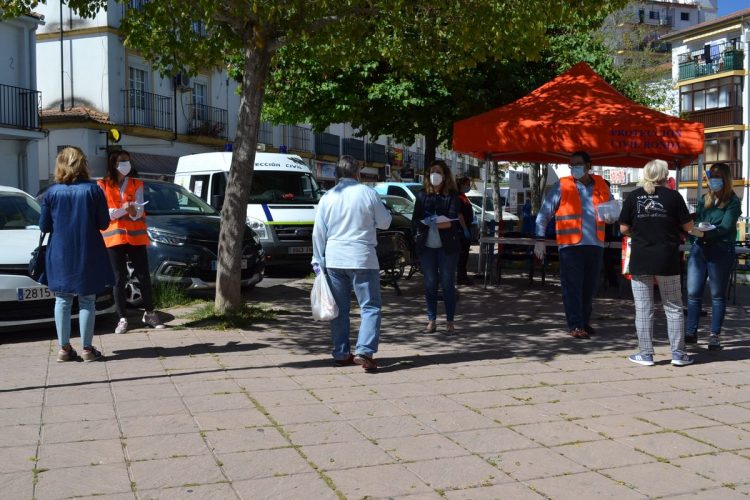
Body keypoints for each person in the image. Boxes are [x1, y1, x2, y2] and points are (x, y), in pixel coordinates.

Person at [311, 155, 392, 372]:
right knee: (370, 306)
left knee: (339, 309)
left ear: (336, 174)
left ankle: (341, 353)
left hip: (335, 257)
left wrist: (317, 260)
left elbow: (319, 231)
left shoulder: (327, 197)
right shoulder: (368, 194)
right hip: (362, 257)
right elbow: (385, 223)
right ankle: (364, 351)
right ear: (357, 173)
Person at [39, 147, 114, 362]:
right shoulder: (93, 190)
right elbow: (103, 223)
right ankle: (88, 349)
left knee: (62, 300)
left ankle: (64, 349)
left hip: (60, 252)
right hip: (88, 250)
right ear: (83, 164)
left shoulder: (51, 192)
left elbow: (44, 226)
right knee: (87, 300)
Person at [619, 160, 695, 367]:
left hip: (641, 257)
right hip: (666, 258)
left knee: (643, 308)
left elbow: (623, 229)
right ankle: (678, 355)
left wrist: (642, 231)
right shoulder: (673, 196)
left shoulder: (633, 196)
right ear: (664, 175)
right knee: (673, 307)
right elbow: (688, 226)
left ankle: (645, 355)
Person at [534, 151, 613, 339]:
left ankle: (584, 321)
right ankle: (575, 324)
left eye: (578, 164)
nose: (574, 168)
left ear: (588, 166)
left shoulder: (601, 184)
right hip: (570, 246)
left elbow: (610, 208)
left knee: (589, 287)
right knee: (573, 287)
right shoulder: (562, 185)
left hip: (595, 244)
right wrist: (539, 239)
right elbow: (544, 215)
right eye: (571, 165)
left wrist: (613, 214)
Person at [98, 150, 164, 333]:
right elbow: (106, 213)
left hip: (135, 237)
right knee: (119, 279)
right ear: (113, 163)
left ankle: (149, 313)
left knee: (143, 275)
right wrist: (125, 209)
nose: (126, 164)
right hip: (114, 238)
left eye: (128, 161)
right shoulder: (102, 185)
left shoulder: (136, 183)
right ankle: (122, 318)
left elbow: (138, 213)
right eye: (122, 161)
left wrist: (130, 210)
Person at [686, 162, 742, 350]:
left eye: (717, 176)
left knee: (717, 295)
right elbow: (701, 220)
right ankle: (691, 332)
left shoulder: (733, 201)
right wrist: (698, 230)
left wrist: (705, 232)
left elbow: (726, 227)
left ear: (725, 178)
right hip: (700, 249)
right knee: (693, 292)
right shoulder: (704, 198)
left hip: (720, 250)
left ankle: (714, 335)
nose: (713, 180)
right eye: (711, 176)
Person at [413, 160, 462, 334]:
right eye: (432, 171)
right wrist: (425, 223)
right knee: (430, 283)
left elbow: (452, 222)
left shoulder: (452, 195)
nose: (435, 174)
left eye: (438, 171)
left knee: (447, 283)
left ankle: (450, 321)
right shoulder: (421, 195)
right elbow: (415, 219)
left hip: (447, 247)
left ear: (445, 175)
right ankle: (431, 320)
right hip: (427, 247)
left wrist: (434, 223)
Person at [456, 176, 474, 285]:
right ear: (462, 184)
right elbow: (459, 215)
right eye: (467, 184)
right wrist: (465, 229)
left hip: (466, 227)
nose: (468, 186)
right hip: (461, 230)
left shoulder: (464, 197)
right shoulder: (458, 197)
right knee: (462, 255)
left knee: (465, 255)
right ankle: (461, 277)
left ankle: (463, 276)